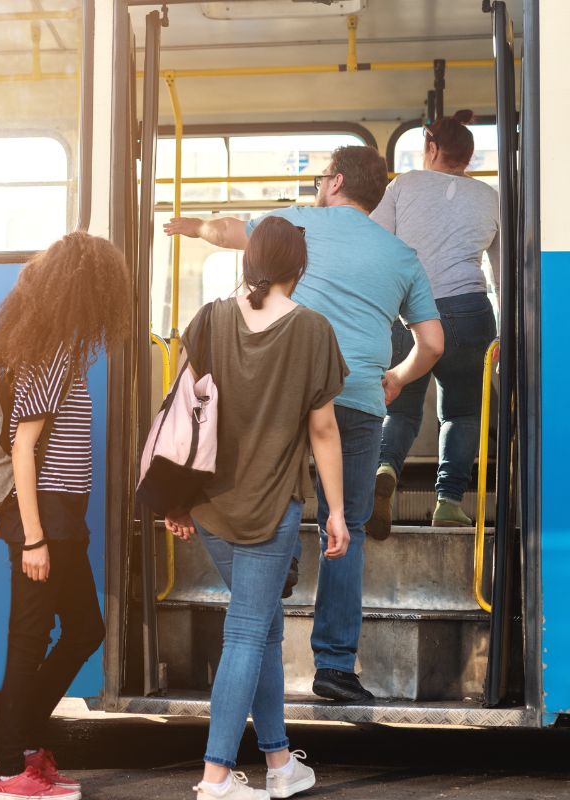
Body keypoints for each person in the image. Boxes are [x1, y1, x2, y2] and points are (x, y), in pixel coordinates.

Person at [164, 145, 444, 703]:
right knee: (349, 527)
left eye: (322, 177)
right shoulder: (402, 254)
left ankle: (282, 565)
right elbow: (433, 343)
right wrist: (396, 378)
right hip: (360, 398)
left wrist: (190, 224)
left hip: (286, 392)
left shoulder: (296, 225)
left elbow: (226, 231)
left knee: (277, 500)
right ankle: (336, 667)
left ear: (336, 182)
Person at [166, 217, 349, 800]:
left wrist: (178, 497)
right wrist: (338, 512)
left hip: (212, 509)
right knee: (247, 632)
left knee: (264, 630)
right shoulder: (313, 330)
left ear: (249, 263)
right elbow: (323, 431)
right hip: (271, 511)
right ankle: (216, 777)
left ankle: (278, 764)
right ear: (300, 268)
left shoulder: (210, 320)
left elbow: (183, 416)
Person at [0, 232, 129, 800]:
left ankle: (19, 740)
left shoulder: (60, 345)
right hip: (44, 518)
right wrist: (34, 538)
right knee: (28, 638)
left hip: (62, 517)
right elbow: (23, 446)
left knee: (85, 630)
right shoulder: (51, 352)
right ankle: (9, 768)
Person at [368, 111, 500, 535]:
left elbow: (375, 244)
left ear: (430, 148)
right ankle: (448, 502)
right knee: (462, 413)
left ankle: (385, 469)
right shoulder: (491, 198)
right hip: (469, 311)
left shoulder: (403, 185)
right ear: (469, 157)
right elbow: (503, 273)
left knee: (401, 407)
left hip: (408, 311)